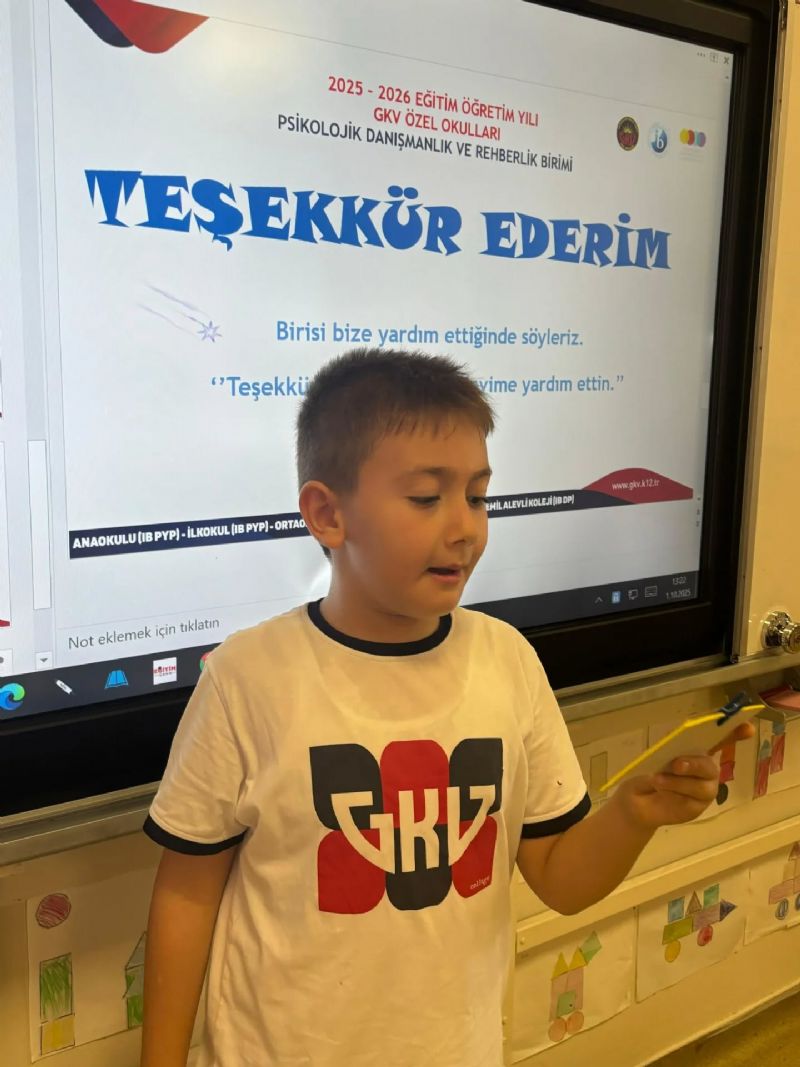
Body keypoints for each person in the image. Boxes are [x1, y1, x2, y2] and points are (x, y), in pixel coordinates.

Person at [140, 348, 750, 1067]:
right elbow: (185, 898)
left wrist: (633, 816)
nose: (465, 527)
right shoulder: (247, 677)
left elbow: (560, 879)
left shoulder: (507, 660)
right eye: (428, 498)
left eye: (478, 496)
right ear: (327, 513)